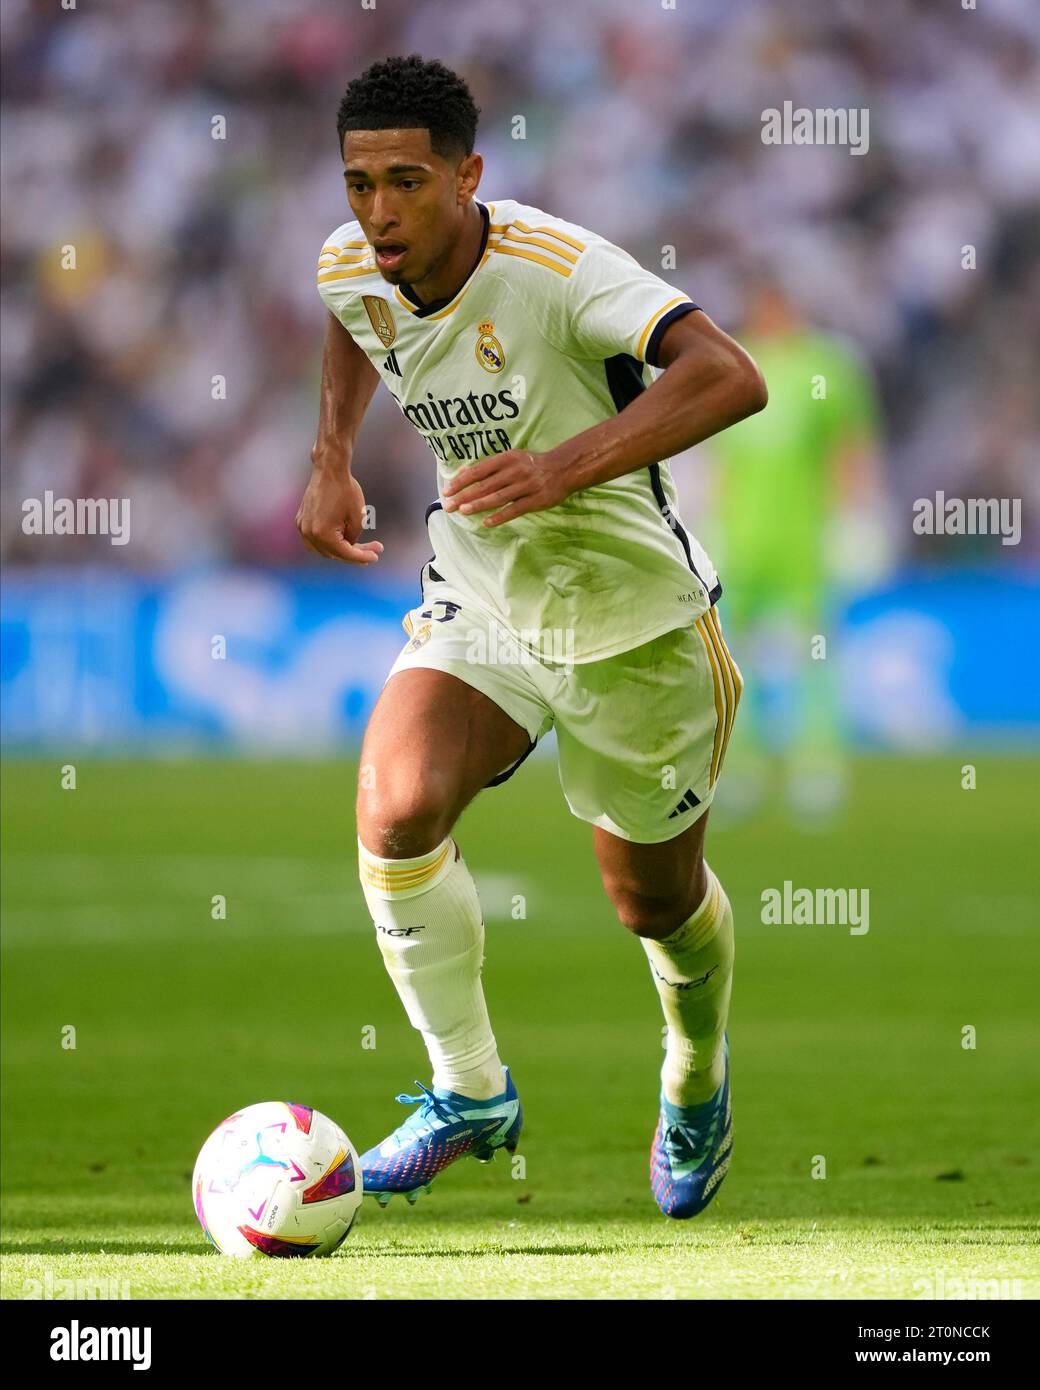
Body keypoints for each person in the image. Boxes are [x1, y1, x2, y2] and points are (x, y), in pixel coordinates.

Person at [296, 54, 766, 1219]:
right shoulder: (354, 259)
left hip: (635, 625)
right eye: (359, 183)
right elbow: (356, 321)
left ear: (469, 175)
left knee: (650, 904)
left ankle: (694, 1075)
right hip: (485, 597)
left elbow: (730, 376)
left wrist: (558, 466)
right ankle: (469, 1092)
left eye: (407, 182)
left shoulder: (556, 269)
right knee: (394, 808)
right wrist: (329, 457)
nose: (379, 211)